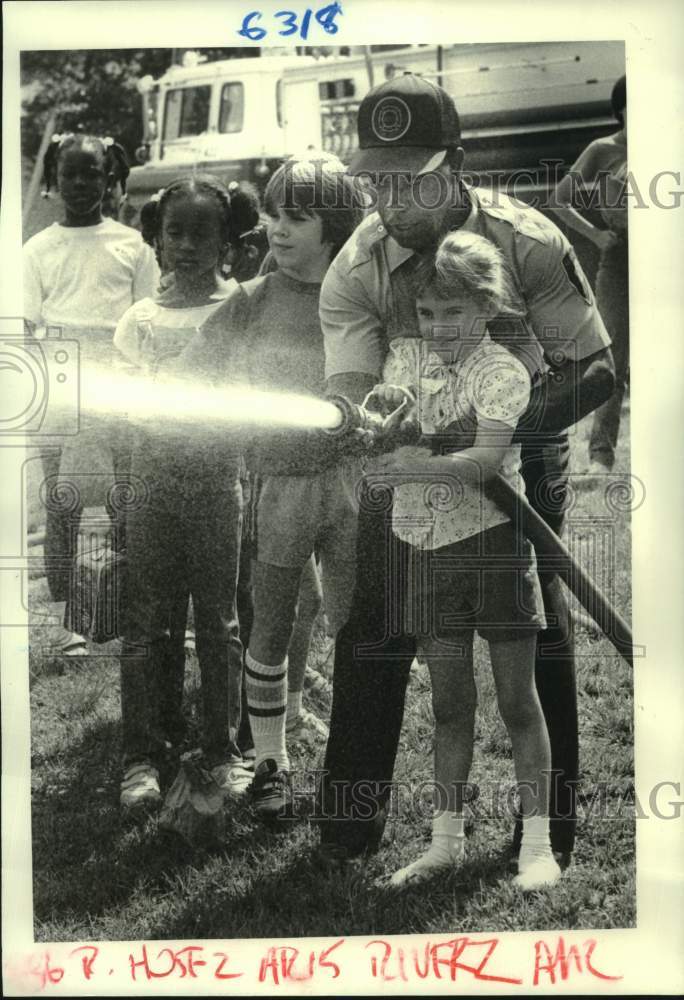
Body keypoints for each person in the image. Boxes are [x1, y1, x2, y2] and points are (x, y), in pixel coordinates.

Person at [315, 73, 615, 870]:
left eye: (409, 178)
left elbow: (594, 371)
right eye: (376, 180)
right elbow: (346, 392)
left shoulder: (528, 239)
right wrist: (371, 423)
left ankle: (547, 835)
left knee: (533, 634)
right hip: (412, 456)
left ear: (458, 163)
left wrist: (497, 431)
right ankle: (348, 833)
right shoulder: (358, 265)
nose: (391, 198)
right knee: (377, 620)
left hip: (524, 433)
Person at [169, 153, 363, 820]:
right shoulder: (252, 299)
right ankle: (272, 768)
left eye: (298, 217)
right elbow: (192, 370)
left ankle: (355, 767)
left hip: (353, 482)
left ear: (334, 226)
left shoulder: (360, 295)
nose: (278, 228)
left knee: (356, 621)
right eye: (274, 213)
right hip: (280, 485)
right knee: (273, 622)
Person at [369, 230, 560, 890]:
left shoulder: (502, 369)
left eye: (453, 312)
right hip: (425, 544)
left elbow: (484, 460)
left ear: (486, 307)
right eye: (427, 313)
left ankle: (538, 845)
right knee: (449, 705)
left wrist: (413, 464)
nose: (439, 326)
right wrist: (380, 428)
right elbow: (388, 416)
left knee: (517, 701)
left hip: (493, 543)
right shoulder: (403, 360)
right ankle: (444, 844)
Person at [113, 174, 255, 813]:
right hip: (151, 481)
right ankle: (145, 751)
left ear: (228, 240)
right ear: (156, 240)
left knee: (218, 619)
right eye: (176, 233)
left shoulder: (242, 307)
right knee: (148, 620)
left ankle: (221, 750)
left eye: (204, 234)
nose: (189, 245)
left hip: (215, 480)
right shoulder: (141, 319)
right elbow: (124, 407)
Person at [23, 132, 159, 656]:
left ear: (109, 180)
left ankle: (126, 613)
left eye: (91, 174)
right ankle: (66, 623)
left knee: (129, 496)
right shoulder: (38, 249)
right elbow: (24, 323)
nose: (80, 184)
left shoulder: (132, 245)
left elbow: (149, 318)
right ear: (55, 181)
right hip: (60, 379)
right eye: (69, 174)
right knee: (63, 501)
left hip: (121, 374)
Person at [552, 75, 628, 477]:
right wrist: (597, 235)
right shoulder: (604, 150)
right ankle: (601, 456)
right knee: (613, 357)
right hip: (620, 259)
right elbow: (560, 199)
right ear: (621, 109)